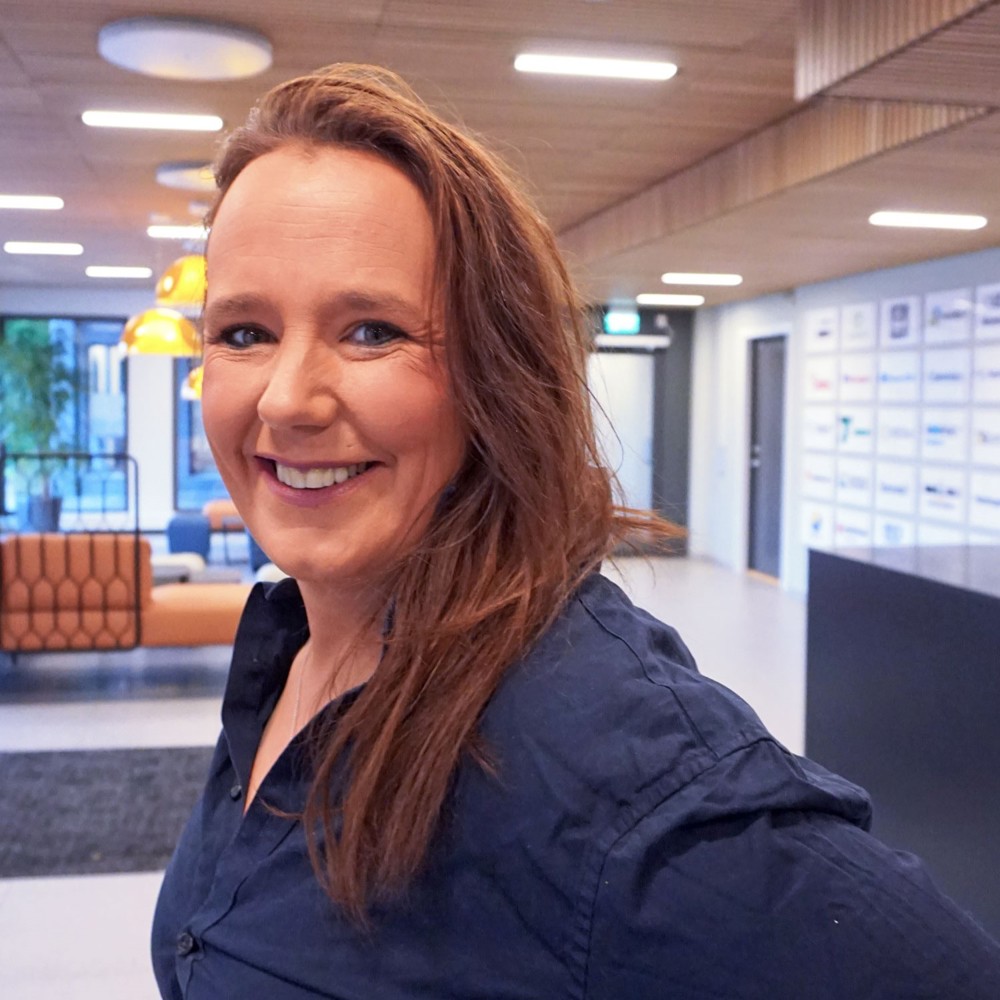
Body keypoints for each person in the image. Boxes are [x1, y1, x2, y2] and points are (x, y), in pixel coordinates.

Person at [152, 64, 1000, 999]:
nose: (285, 399)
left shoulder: (599, 768)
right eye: (242, 333)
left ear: (492, 376)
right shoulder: (294, 654)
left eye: (371, 332)